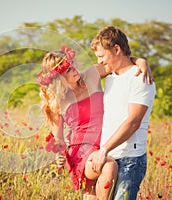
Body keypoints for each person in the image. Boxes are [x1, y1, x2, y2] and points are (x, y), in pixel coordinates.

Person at [38, 46, 151, 199]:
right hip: (81, 150)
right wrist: (59, 155)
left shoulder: (92, 74)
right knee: (109, 165)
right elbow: (58, 138)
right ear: (58, 79)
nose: (74, 70)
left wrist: (141, 61)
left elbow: (118, 62)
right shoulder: (57, 102)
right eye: (67, 71)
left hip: (107, 142)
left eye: (72, 65)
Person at [89, 26, 156, 200]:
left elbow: (133, 122)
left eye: (102, 56)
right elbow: (78, 76)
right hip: (108, 158)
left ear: (116, 49)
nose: (100, 61)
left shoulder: (140, 78)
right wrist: (139, 59)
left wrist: (103, 150)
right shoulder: (110, 74)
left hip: (130, 160)